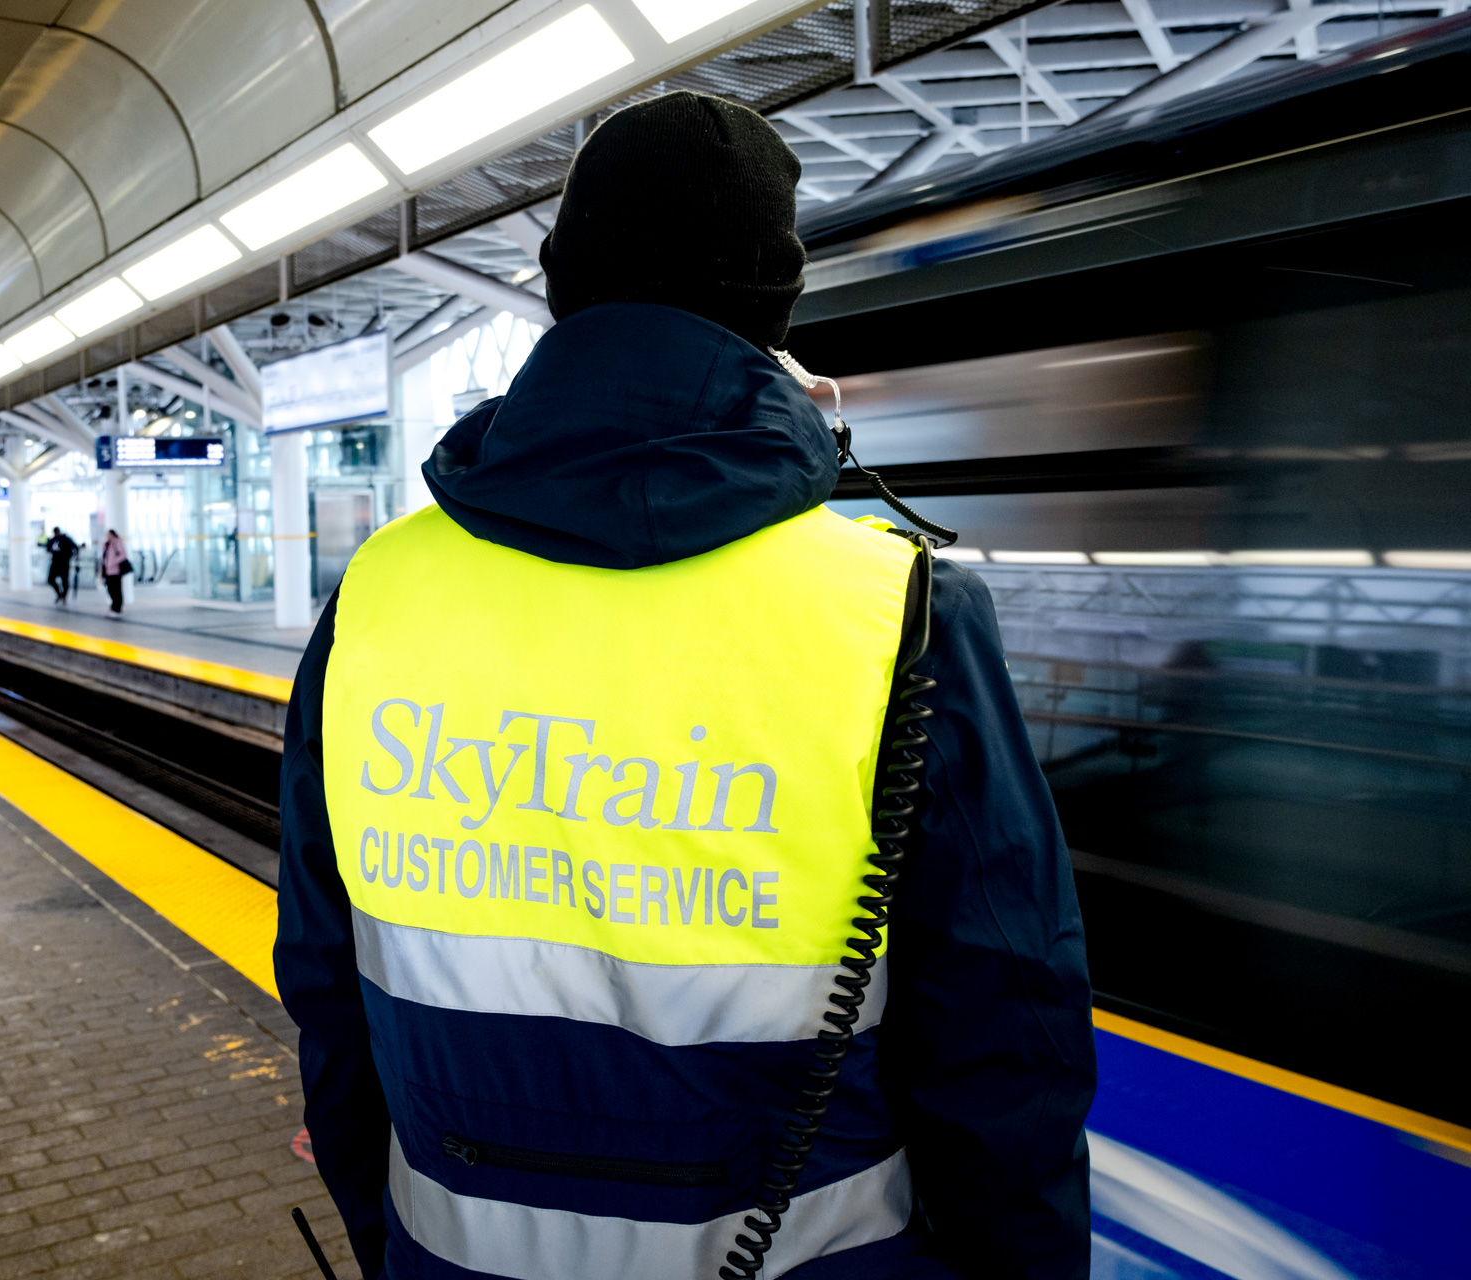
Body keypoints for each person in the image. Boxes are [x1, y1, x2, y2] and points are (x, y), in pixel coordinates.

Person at [274, 93, 1095, 1280]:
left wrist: (392, 1242)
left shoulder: (376, 597)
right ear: (777, 307)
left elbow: (326, 988)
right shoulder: (898, 614)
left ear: (560, 285)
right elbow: (1006, 1045)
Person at [100, 529, 130, 614]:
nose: (107, 537)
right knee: (110, 589)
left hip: (115, 571)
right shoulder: (106, 545)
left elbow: (123, 555)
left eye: (109, 535)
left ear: (113, 535)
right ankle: (113, 606)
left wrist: (113, 563)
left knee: (116, 590)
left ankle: (117, 608)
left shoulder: (117, 542)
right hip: (108, 571)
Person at [46, 526, 78, 604]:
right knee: (50, 579)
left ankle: (64, 596)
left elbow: (75, 547)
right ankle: (59, 593)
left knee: (64, 580)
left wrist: (75, 555)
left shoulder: (66, 539)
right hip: (55, 563)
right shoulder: (53, 539)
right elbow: (48, 548)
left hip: (64, 563)